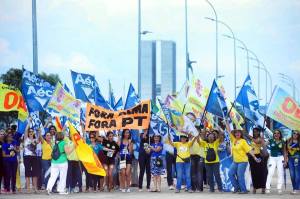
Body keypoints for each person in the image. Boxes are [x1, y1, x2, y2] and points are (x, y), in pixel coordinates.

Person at [228, 129, 260, 194]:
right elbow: (229, 131)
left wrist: (255, 157)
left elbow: (249, 150)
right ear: (234, 134)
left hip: (243, 161)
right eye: (236, 133)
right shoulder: (233, 140)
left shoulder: (243, 141)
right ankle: (237, 188)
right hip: (235, 161)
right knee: (230, 173)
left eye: (239, 133)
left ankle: (243, 190)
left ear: (241, 134)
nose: (237, 134)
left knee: (240, 175)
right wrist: (226, 121)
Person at [265, 129, 287, 194]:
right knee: (270, 173)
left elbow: (284, 152)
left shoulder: (282, 141)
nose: (276, 134)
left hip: (280, 158)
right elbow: (263, 145)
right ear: (273, 134)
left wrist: (285, 161)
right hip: (272, 158)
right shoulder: (271, 140)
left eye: (278, 133)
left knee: (280, 173)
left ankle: (279, 188)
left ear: (280, 135)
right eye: (275, 133)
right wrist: (262, 136)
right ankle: (268, 188)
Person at [248, 127, 268, 194]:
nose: (255, 133)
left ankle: (263, 187)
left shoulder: (261, 138)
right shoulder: (251, 139)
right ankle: (254, 187)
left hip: (260, 156)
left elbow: (257, 142)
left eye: (256, 131)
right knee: (253, 172)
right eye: (254, 131)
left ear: (259, 132)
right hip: (252, 157)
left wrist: (251, 137)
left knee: (262, 172)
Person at [23, 122, 40, 193]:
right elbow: (25, 130)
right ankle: (28, 189)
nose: (30, 132)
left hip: (34, 157)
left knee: (35, 173)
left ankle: (35, 188)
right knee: (27, 172)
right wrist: (29, 122)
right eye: (29, 131)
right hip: (27, 157)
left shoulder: (35, 140)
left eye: (32, 131)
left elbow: (39, 135)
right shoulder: (26, 139)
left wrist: (39, 131)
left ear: (33, 133)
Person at [190, 127, 205, 192]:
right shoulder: (191, 138)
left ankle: (199, 188)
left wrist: (204, 125)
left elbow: (199, 142)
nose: (195, 131)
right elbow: (190, 145)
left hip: (200, 156)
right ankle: (193, 188)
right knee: (193, 173)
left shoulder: (202, 137)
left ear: (199, 131)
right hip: (192, 156)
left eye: (197, 130)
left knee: (199, 173)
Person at [286, 130, 300, 194]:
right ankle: (295, 187)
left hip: (297, 158)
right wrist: (285, 158)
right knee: (292, 174)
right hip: (290, 159)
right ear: (292, 134)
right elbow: (285, 150)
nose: (295, 134)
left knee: (297, 173)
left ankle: (296, 189)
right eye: (294, 133)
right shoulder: (288, 140)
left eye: (297, 134)